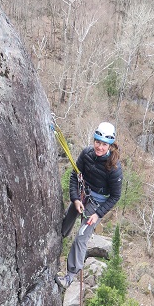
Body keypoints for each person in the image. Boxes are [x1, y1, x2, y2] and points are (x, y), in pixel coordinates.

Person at [55, 122, 123, 289]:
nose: (100, 147)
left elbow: (115, 196)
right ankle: (56, 242)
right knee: (65, 222)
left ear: (110, 145)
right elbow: (74, 175)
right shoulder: (86, 154)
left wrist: (98, 214)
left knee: (80, 239)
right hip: (82, 195)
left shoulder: (114, 169)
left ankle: (70, 275)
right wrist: (76, 199)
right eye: (97, 142)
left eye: (104, 144)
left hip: (96, 205)